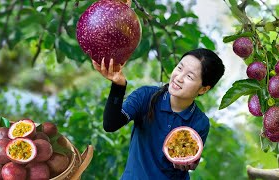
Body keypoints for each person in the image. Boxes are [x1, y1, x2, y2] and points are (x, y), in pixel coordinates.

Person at [92, 48, 225, 179]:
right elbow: (110, 125)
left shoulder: (200, 122)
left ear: (203, 89)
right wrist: (118, 85)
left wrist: (189, 161)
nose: (179, 78)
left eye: (189, 76)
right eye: (179, 68)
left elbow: (190, 159)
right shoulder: (146, 96)